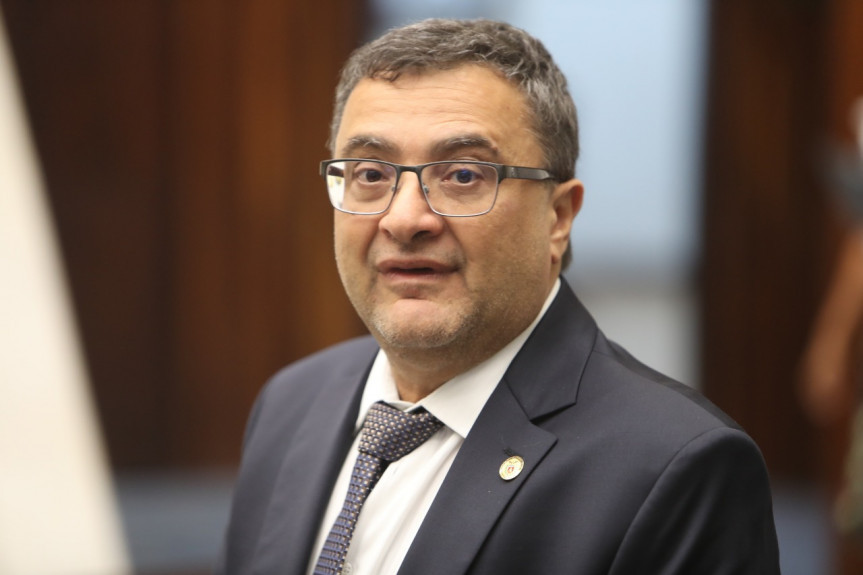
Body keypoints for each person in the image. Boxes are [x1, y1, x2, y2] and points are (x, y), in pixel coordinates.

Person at [218, 18, 780, 575]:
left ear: (558, 217)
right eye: (370, 173)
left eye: (463, 176)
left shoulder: (673, 466)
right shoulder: (290, 405)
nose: (405, 218)